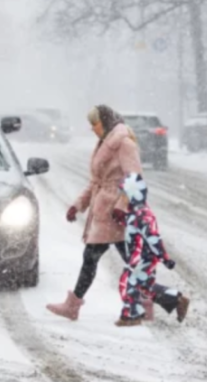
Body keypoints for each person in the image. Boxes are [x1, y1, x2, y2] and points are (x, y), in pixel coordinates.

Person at [45, 105, 182, 323]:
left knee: (91, 258)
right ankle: (169, 300)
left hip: (115, 214)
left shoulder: (123, 144)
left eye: (95, 124)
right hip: (105, 212)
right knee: (128, 263)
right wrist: (78, 205)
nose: (92, 129)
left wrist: (122, 205)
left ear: (105, 122)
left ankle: (73, 306)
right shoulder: (105, 143)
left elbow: (135, 178)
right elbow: (96, 182)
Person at [112, 173, 189, 327]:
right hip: (140, 256)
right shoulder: (136, 212)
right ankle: (177, 299)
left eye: (124, 194)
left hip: (143, 257)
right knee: (144, 286)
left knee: (128, 281)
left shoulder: (143, 214)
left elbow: (153, 238)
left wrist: (164, 258)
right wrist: (122, 219)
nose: (122, 197)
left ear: (134, 193)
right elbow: (133, 225)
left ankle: (132, 316)